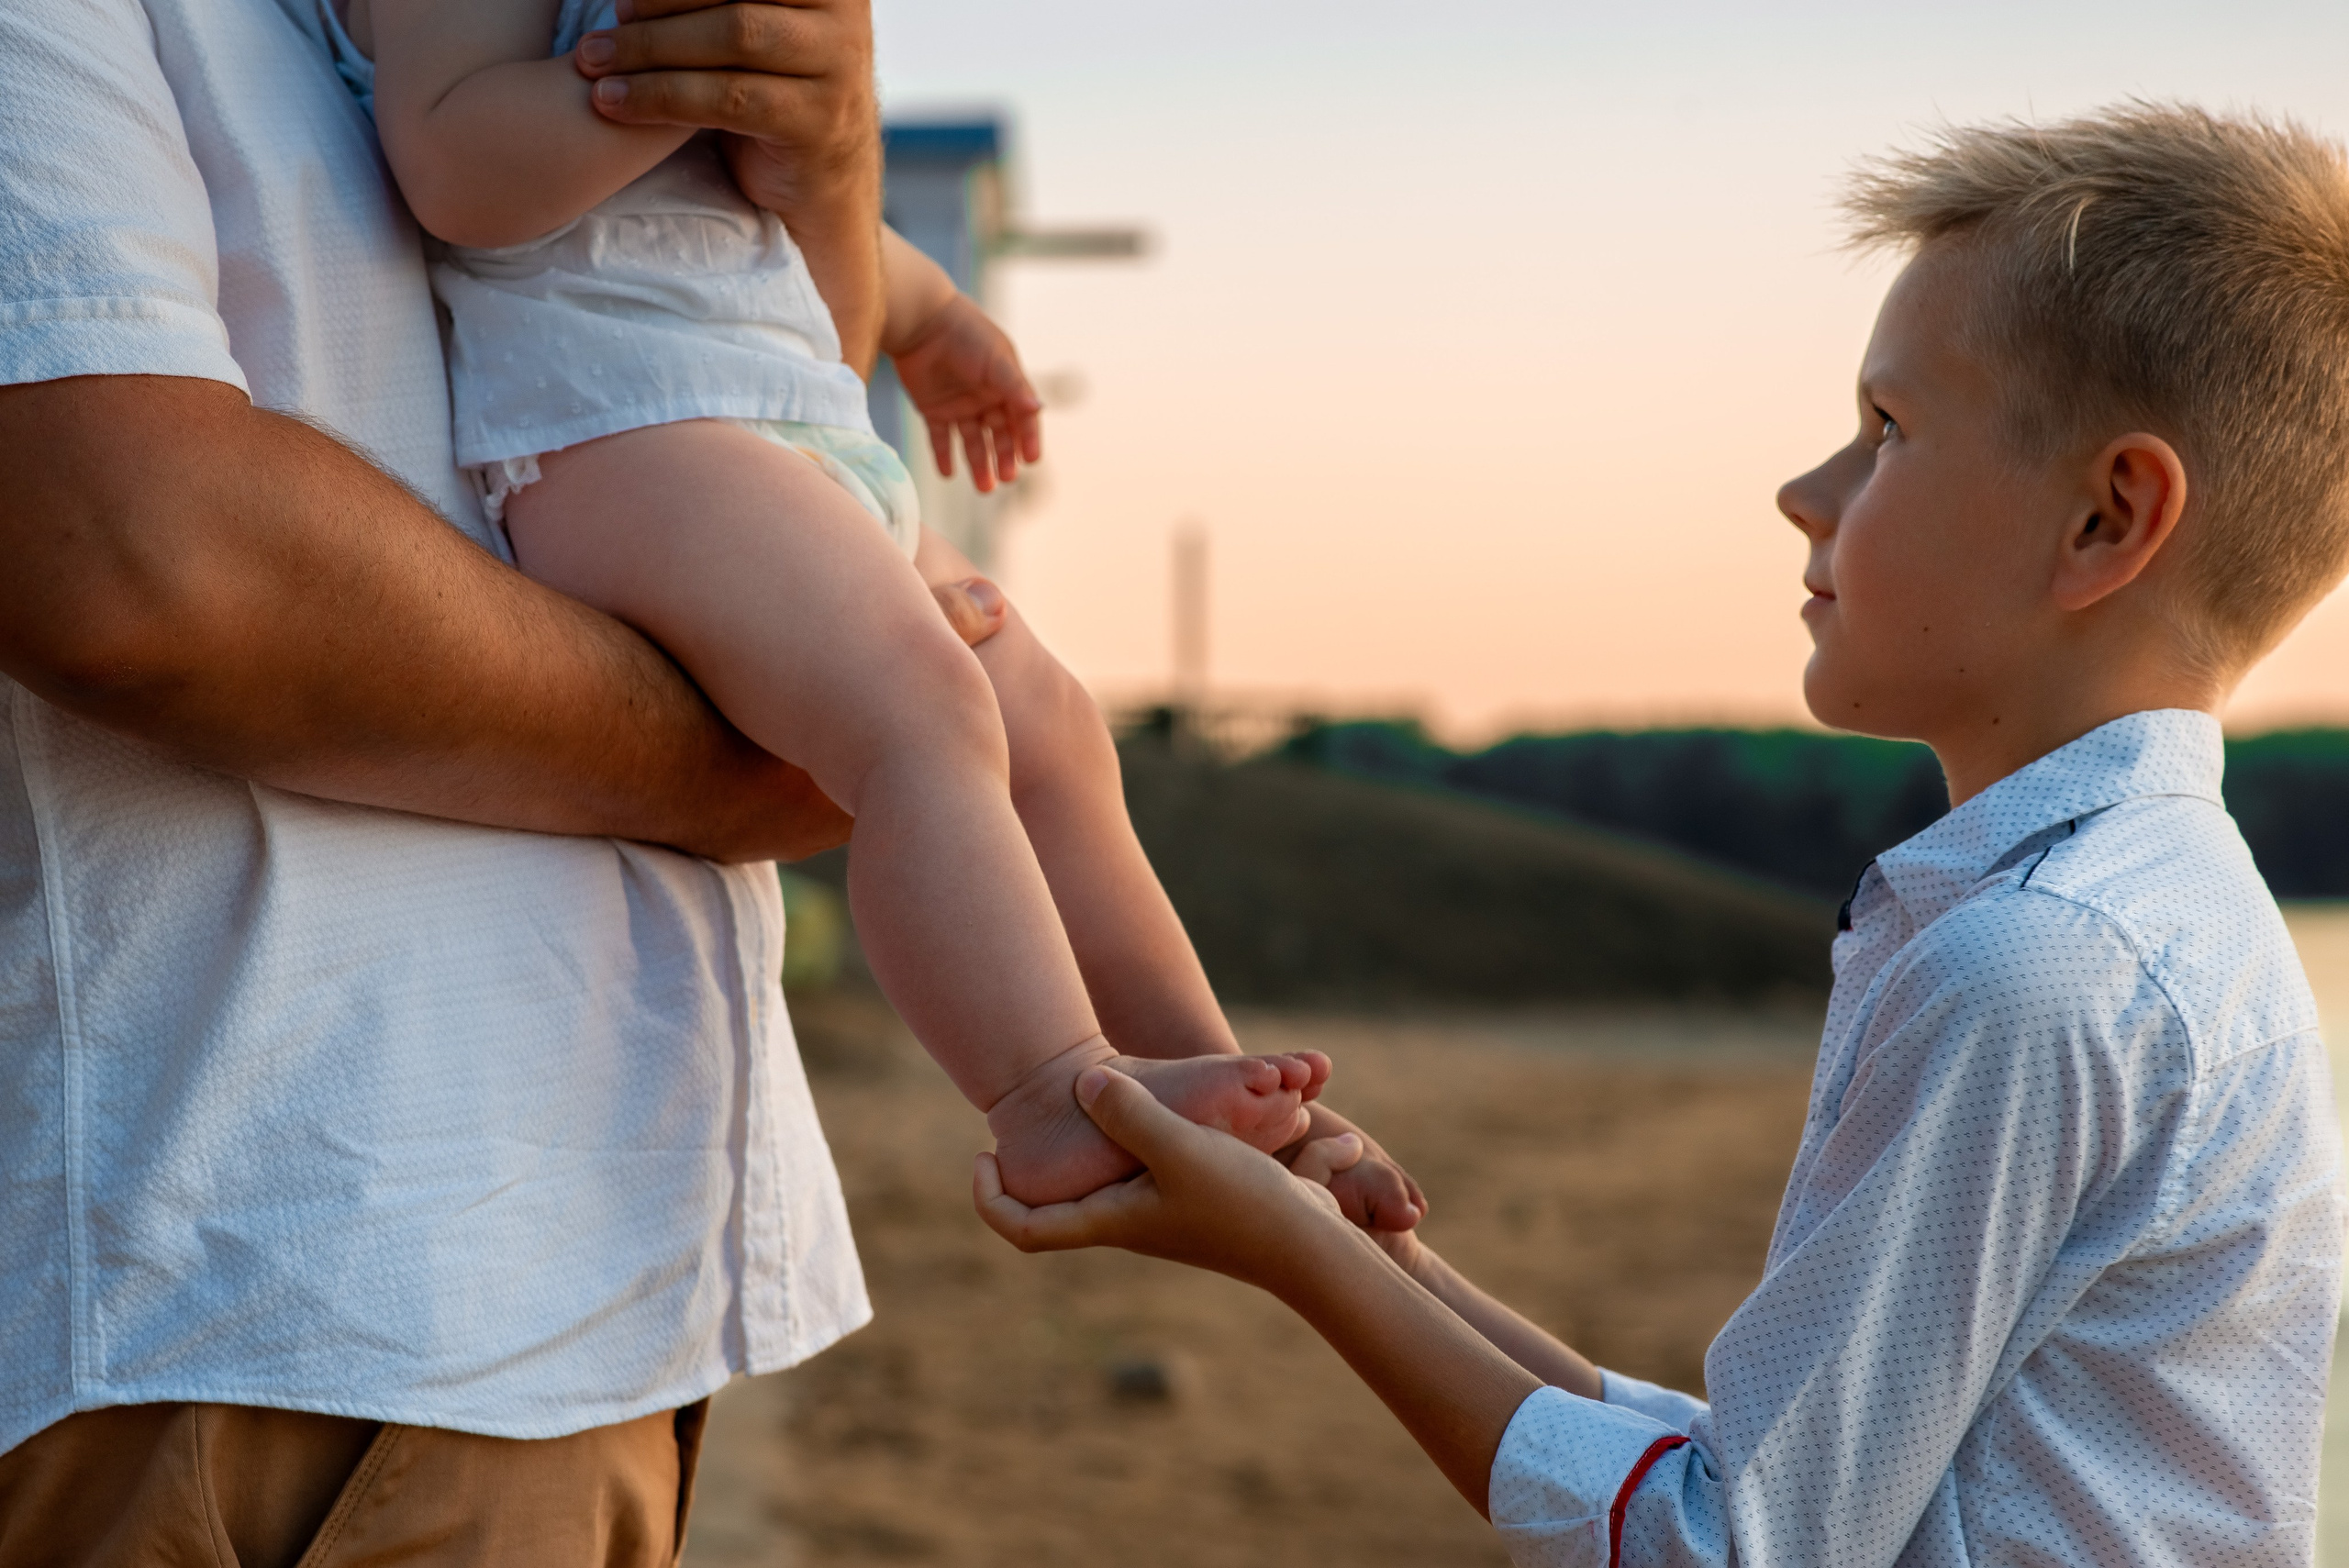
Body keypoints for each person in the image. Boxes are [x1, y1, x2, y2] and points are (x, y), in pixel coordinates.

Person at [976, 104, 2349, 1567]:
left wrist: (1297, 1260)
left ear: (2106, 518)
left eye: (1888, 431)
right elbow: (1766, 1485)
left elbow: (1735, 1544)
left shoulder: (2034, 971)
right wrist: (1386, 1259)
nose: (1804, 492)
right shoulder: (2159, 916)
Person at [326, 0, 1382, 1206]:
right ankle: (1048, 1090)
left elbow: (741, 204)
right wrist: (700, 83)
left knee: (1044, 714)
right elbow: (455, 167)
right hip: (612, 429)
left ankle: (1204, 1062)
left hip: (792, 417)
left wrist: (928, 314)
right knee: (921, 706)